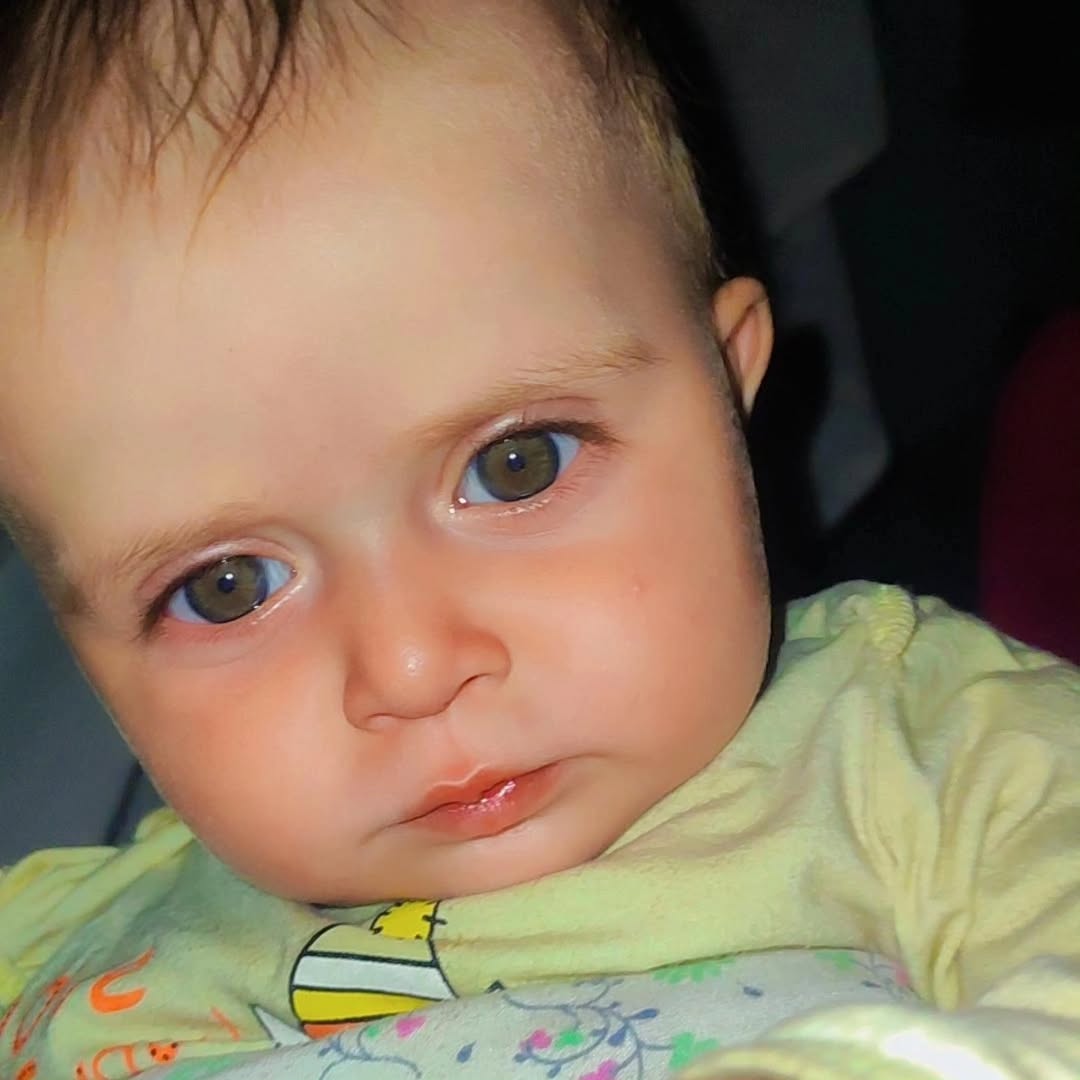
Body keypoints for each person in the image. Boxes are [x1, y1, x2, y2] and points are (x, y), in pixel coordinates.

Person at [0, 3, 1077, 1078]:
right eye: (228, 587)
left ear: (727, 386)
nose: (412, 668)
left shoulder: (939, 764)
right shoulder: (60, 942)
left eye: (517, 466)